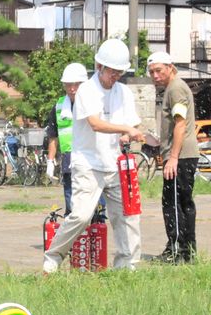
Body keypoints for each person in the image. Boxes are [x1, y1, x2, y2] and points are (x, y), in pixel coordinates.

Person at [43, 39, 145, 273]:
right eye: (112, 71)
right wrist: (125, 130)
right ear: (99, 66)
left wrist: (129, 135)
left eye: (120, 72)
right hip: (88, 164)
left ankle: (127, 267)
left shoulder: (124, 93)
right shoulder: (86, 91)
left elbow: (131, 123)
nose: (116, 76)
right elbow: (95, 124)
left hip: (114, 164)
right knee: (80, 216)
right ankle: (53, 257)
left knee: (127, 217)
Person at [147, 51, 200, 263]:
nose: (155, 75)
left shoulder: (176, 88)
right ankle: (187, 252)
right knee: (183, 203)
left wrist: (173, 157)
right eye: (151, 72)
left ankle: (177, 251)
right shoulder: (174, 87)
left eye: (159, 70)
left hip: (181, 156)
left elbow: (180, 124)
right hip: (183, 154)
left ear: (170, 67)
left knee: (173, 204)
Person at [45, 63, 89, 215]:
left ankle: (95, 233)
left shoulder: (93, 103)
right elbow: (53, 136)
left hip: (89, 158)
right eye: (69, 85)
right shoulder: (58, 106)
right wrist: (50, 162)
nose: (72, 89)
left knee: (93, 204)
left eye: (77, 84)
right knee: (71, 203)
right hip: (68, 159)